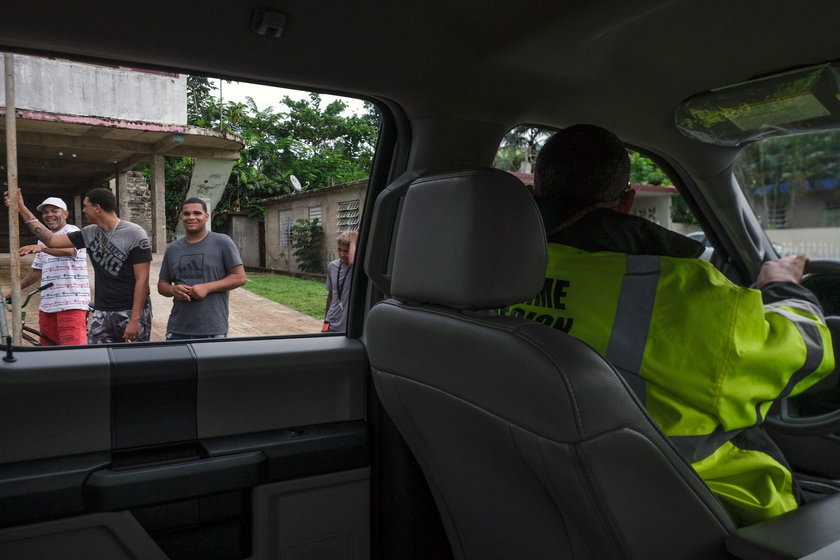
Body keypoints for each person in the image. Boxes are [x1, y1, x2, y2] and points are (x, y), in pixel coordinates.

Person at [501, 124, 835, 526]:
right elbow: (809, 351)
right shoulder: (682, 289)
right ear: (626, 202)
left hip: (540, 491)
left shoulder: (487, 276)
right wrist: (781, 284)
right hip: (705, 512)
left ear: (535, 192)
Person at [5, 187, 152, 344]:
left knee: (132, 360)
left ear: (97, 208)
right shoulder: (89, 233)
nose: (83, 210)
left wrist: (135, 319)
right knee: (96, 361)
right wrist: (21, 208)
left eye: (85, 206)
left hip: (128, 310)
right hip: (102, 310)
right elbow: (51, 241)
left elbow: (142, 280)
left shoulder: (135, 233)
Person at [3, 197, 90, 345]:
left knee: (73, 350)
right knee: (48, 349)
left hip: (71, 303)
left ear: (66, 214)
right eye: (45, 212)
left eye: (54, 211)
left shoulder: (72, 231)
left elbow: (69, 251)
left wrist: (43, 248)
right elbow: (36, 272)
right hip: (48, 305)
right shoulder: (42, 240)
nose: (49, 215)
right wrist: (14, 290)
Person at [157, 198, 246, 340]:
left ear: (206, 217)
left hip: (213, 330)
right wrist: (173, 290)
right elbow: (162, 285)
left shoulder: (222, 242)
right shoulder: (172, 249)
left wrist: (207, 287)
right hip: (178, 330)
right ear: (181, 217)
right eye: (186, 214)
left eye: (197, 213)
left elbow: (239, 277)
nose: (191, 217)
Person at [323, 230, 357, 333]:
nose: (342, 254)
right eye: (339, 250)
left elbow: (352, 262)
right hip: (331, 322)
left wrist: (353, 241)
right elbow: (331, 295)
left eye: (346, 251)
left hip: (346, 326)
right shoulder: (332, 266)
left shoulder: (356, 269)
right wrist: (325, 320)